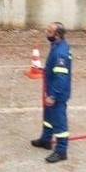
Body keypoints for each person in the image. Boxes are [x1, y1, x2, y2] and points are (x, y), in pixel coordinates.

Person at [31, 22, 72, 163]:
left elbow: (61, 78)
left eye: (49, 31)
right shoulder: (56, 46)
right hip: (51, 91)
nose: (46, 33)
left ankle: (61, 150)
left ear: (57, 35)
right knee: (48, 118)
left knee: (59, 123)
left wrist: (53, 95)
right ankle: (46, 139)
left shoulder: (61, 53)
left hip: (57, 94)